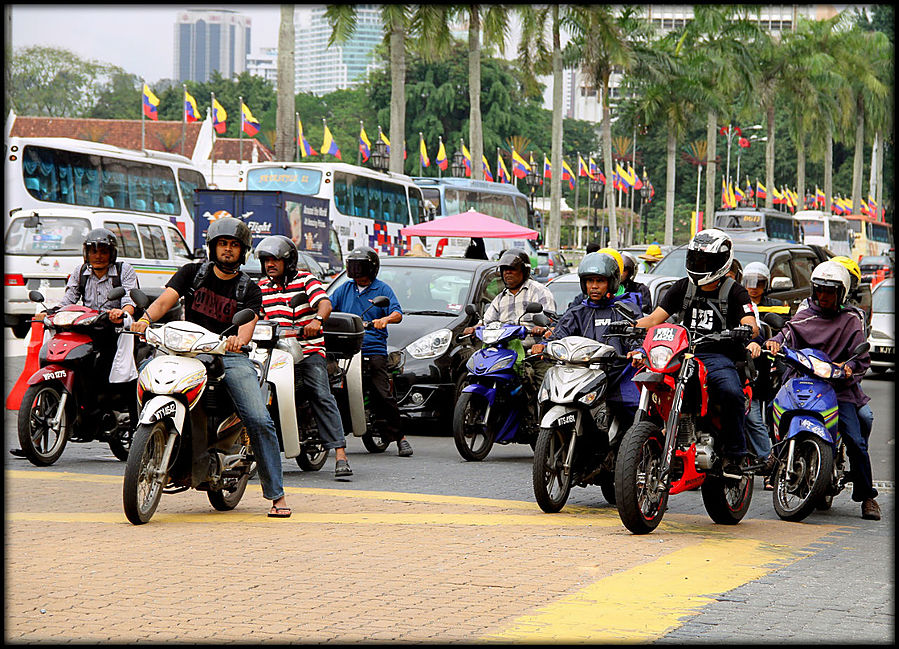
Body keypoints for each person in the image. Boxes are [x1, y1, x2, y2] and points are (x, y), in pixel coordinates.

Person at [131, 217, 290, 518]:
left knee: (258, 418)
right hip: (184, 350)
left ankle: (276, 494)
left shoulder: (249, 289)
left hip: (227, 355)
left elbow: (247, 328)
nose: (227, 250)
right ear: (212, 247)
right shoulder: (192, 273)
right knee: (144, 378)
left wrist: (236, 342)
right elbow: (165, 301)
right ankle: (142, 443)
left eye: (233, 245)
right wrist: (145, 320)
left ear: (242, 252)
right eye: (222, 244)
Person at [630, 229, 758, 477]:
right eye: (696, 259)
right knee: (655, 383)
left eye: (706, 261)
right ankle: (658, 436)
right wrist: (628, 326)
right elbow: (655, 319)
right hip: (682, 353)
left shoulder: (735, 291)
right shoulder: (682, 288)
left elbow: (750, 322)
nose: (700, 265)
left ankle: (735, 455)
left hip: (717, 357)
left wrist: (746, 330)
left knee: (731, 392)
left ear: (722, 262)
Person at [761, 261, 881, 521]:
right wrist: (774, 342)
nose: (824, 296)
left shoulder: (852, 319)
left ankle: (867, 495)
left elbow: (861, 359)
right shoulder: (805, 312)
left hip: (838, 389)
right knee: (772, 409)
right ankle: (776, 456)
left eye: (830, 291)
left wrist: (848, 368)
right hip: (802, 379)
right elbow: (787, 333)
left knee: (856, 441)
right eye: (820, 290)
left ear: (842, 293)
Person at [12, 228, 141, 458]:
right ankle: (34, 441)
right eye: (93, 251)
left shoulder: (124, 270)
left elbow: (129, 300)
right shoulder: (80, 272)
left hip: (114, 330)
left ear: (112, 253)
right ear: (86, 253)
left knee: (118, 373)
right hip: (86, 328)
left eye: (103, 251)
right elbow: (68, 301)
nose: (98, 255)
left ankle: (136, 428)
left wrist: (122, 312)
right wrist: (49, 313)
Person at [255, 235, 353, 480]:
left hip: (307, 352)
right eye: (266, 260)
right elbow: (253, 315)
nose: (270, 264)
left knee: (320, 393)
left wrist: (316, 320)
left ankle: (340, 454)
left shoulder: (306, 280)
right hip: (273, 354)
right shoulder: (261, 287)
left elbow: (324, 304)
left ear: (288, 261)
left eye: (275, 259)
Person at [532, 252, 642, 430]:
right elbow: (559, 335)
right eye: (590, 281)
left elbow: (636, 337)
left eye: (600, 281)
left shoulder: (625, 309)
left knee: (633, 410)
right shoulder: (577, 311)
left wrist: (637, 351)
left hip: (617, 375)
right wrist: (544, 346)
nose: (594, 286)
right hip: (582, 374)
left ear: (611, 282)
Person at [329, 246, 413, 457]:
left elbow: (397, 313)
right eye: (353, 266)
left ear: (371, 268)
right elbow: (327, 306)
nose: (357, 271)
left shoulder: (382, 290)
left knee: (382, 393)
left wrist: (385, 319)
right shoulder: (344, 289)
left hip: (372, 347)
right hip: (345, 348)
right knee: (330, 387)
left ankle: (400, 438)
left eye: (361, 266)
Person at [462, 248, 556, 401]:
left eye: (512, 269)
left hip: (530, 352)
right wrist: (474, 328)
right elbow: (486, 321)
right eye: (505, 270)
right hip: (503, 351)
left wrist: (542, 328)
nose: (507, 273)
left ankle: (537, 419)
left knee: (542, 386)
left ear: (524, 271)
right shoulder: (500, 298)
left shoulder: (539, 291)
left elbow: (549, 321)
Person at [740, 262, 789, 490]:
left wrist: (758, 344)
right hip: (732, 364)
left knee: (759, 417)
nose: (753, 288)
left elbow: (772, 335)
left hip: (764, 369)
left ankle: (771, 464)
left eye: (758, 283)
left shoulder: (772, 307)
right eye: (748, 283)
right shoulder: (734, 300)